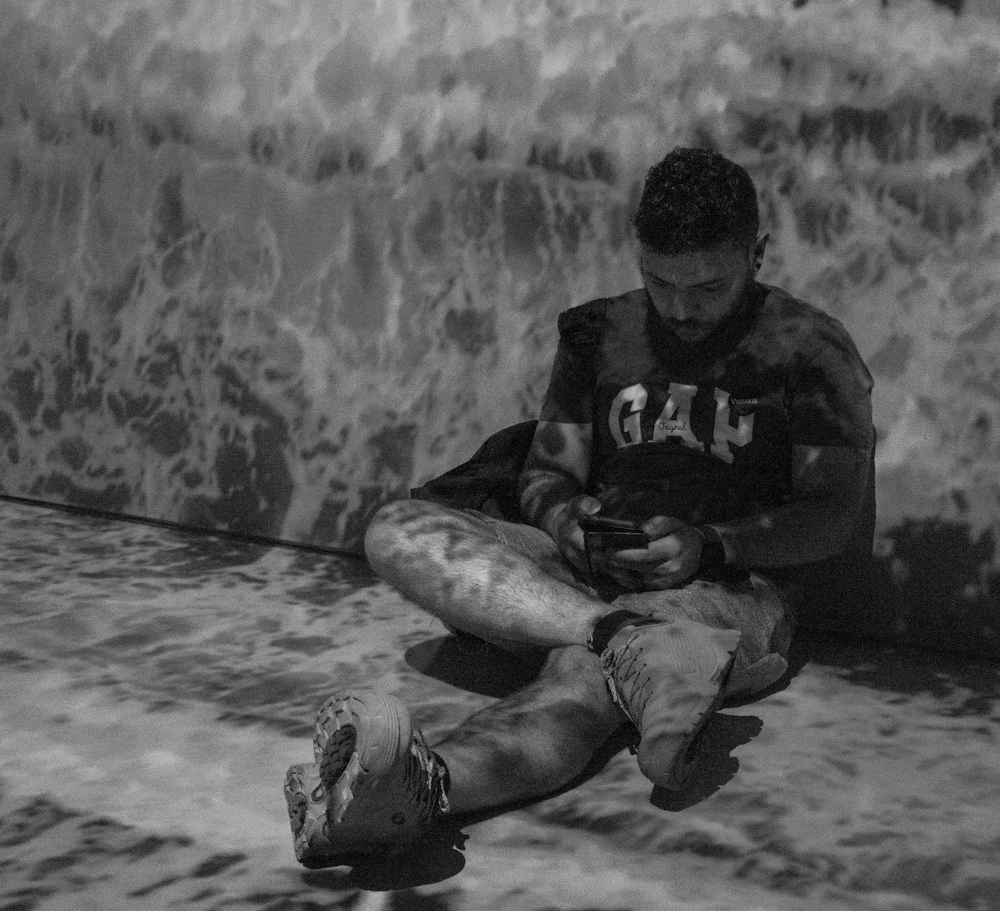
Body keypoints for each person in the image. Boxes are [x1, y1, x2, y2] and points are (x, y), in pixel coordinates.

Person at [284, 146, 875, 869]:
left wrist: (708, 545)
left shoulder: (811, 351)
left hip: (728, 588)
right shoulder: (598, 332)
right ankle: (620, 637)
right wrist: (572, 523)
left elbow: (832, 517)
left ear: (757, 254)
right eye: (659, 282)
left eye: (709, 286)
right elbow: (545, 475)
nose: (682, 309)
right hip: (586, 579)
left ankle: (428, 788)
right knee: (397, 530)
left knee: (577, 678)